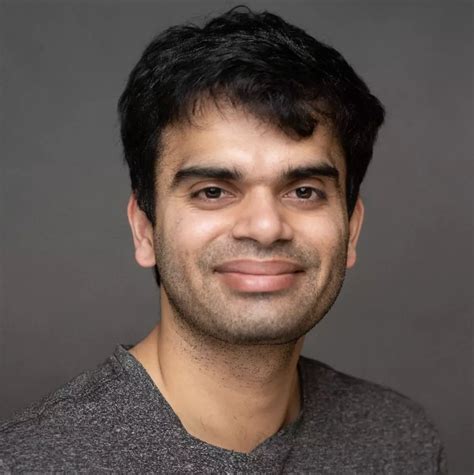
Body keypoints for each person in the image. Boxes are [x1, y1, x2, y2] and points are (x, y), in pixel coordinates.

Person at [0, 5, 447, 473]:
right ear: (145, 228)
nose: (265, 227)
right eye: (212, 191)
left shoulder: (401, 443)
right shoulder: (28, 463)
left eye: (303, 191)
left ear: (351, 229)